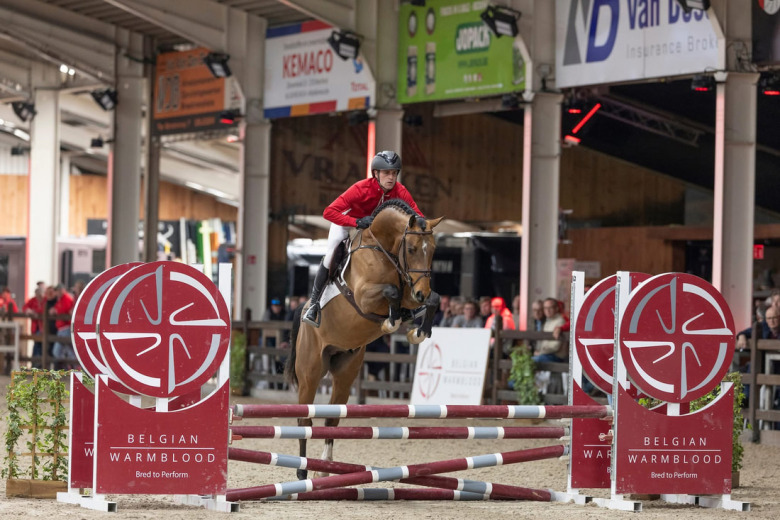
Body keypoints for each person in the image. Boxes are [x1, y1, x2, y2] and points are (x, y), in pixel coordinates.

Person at [303, 150, 423, 327]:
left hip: (375, 231)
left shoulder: (400, 190)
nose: (391, 177)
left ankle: (403, 306)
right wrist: (356, 221)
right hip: (347, 223)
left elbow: (416, 214)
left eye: (394, 173)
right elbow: (328, 212)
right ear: (376, 174)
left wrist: (423, 226)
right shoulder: (360, 189)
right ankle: (314, 304)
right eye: (386, 173)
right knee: (331, 255)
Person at [532, 298, 567, 363]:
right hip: (546, 355)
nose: (547, 310)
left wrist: (540, 352)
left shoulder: (560, 321)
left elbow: (555, 347)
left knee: (530, 361)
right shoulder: (548, 321)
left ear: (556, 308)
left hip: (556, 356)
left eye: (550, 308)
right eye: (545, 308)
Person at [49, 284, 76, 364]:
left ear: (62, 290)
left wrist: (56, 311)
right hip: (61, 329)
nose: (56, 292)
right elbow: (55, 308)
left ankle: (74, 369)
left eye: (57, 290)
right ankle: (69, 368)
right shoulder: (60, 299)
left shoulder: (67, 298)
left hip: (66, 328)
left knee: (65, 351)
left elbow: (65, 310)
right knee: (63, 351)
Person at [22, 287, 46, 367]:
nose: (38, 297)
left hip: (44, 328)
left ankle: (36, 366)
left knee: (39, 346)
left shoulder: (45, 300)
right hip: (35, 328)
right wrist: (28, 310)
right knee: (37, 345)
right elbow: (25, 307)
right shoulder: (33, 300)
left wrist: (36, 312)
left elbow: (45, 310)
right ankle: (36, 366)